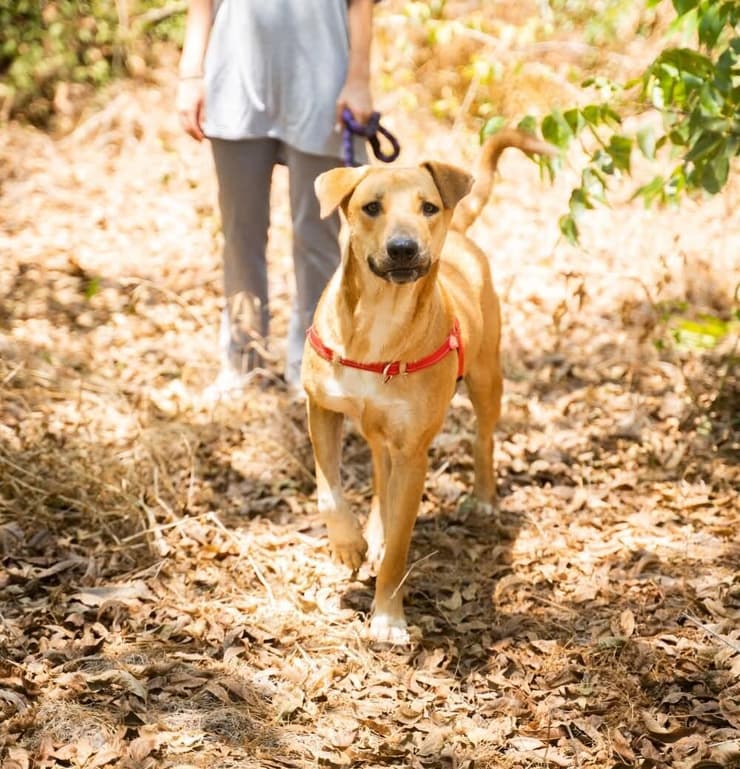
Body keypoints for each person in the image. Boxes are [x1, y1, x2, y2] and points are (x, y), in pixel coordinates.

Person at [176, 0, 376, 399]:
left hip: (323, 86)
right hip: (235, 79)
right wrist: (190, 74)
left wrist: (358, 80)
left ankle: (313, 365)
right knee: (240, 234)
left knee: (318, 235)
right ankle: (243, 361)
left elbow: (360, 4)